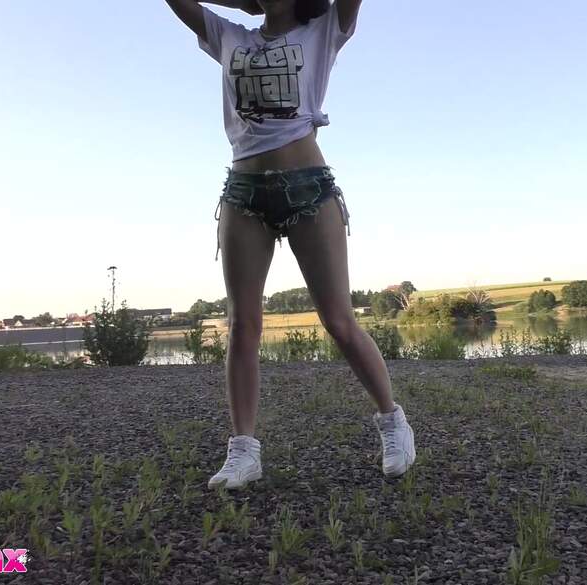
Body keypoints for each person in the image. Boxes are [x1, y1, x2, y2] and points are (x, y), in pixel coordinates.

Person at [163, 0, 416, 489]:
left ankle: (393, 422)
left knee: (339, 320)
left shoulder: (325, 30)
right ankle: (244, 451)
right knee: (243, 324)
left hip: (309, 188)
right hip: (244, 193)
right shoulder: (230, 36)